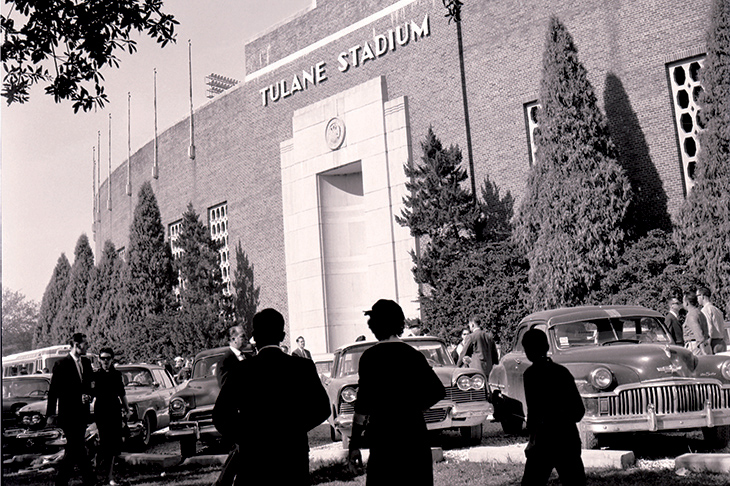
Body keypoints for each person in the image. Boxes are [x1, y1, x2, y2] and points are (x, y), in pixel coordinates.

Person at [213, 309, 330, 485]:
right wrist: (295, 427)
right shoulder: (302, 367)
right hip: (293, 456)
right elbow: (322, 408)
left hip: (254, 458)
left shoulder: (242, 371)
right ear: (282, 336)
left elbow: (221, 415)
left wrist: (246, 435)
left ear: (255, 337)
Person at [348, 299, 445, 485]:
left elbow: (362, 407)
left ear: (374, 325)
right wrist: (415, 408)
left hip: (383, 439)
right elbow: (437, 391)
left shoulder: (369, 358)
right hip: (414, 436)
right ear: (399, 323)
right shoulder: (413, 355)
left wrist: (354, 445)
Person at [520, 328, 586, 486]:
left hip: (544, 440)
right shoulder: (562, 372)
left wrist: (532, 441)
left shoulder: (531, 375)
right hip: (567, 437)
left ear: (527, 351)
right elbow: (579, 411)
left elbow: (533, 412)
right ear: (547, 347)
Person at [46, 333, 95, 486]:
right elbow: (54, 391)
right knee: (76, 446)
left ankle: (83, 480)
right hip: (68, 414)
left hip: (82, 413)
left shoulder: (86, 363)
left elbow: (91, 385)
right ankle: (80, 480)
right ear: (76, 345)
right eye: (85, 344)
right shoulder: (61, 365)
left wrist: (89, 395)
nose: (88, 346)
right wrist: (50, 414)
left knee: (76, 447)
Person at [214, 325, 249, 486]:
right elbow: (227, 389)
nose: (246, 338)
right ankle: (223, 482)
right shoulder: (225, 361)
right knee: (242, 447)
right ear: (233, 339)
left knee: (244, 449)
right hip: (232, 414)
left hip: (247, 413)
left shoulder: (247, 358)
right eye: (242, 336)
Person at [92, 347, 131, 486]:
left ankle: (109, 477)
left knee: (113, 445)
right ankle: (94, 474)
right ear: (99, 359)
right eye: (102, 358)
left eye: (108, 358)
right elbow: (89, 394)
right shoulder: (96, 375)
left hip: (114, 410)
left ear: (112, 359)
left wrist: (127, 409)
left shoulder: (116, 375)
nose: (105, 361)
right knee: (104, 444)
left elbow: (122, 393)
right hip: (101, 412)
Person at [697, 286, 727, 354]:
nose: (697, 299)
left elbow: (709, 328)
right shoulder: (717, 310)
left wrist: (707, 346)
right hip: (722, 343)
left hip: (713, 344)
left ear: (702, 296)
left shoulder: (705, 310)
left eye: (697, 296)